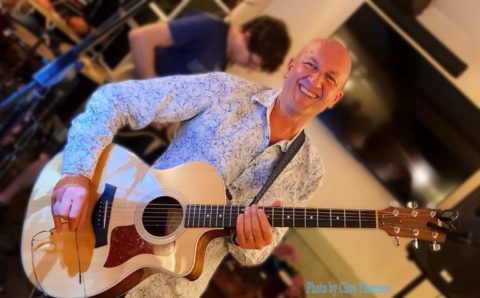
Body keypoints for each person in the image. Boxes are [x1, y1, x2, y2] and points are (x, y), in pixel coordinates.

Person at [51, 38, 351, 297]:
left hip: (168, 293)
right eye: (310, 65)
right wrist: (77, 172)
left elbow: (256, 252)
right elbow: (115, 100)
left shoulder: (309, 172)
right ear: (290, 66)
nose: (315, 81)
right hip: (97, 245)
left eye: (330, 78)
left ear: (335, 98)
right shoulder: (225, 91)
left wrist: (250, 241)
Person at [121, 13, 291, 79]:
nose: (248, 69)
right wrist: (152, 92)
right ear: (247, 37)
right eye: (250, 62)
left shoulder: (225, 59)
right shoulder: (208, 27)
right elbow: (140, 37)